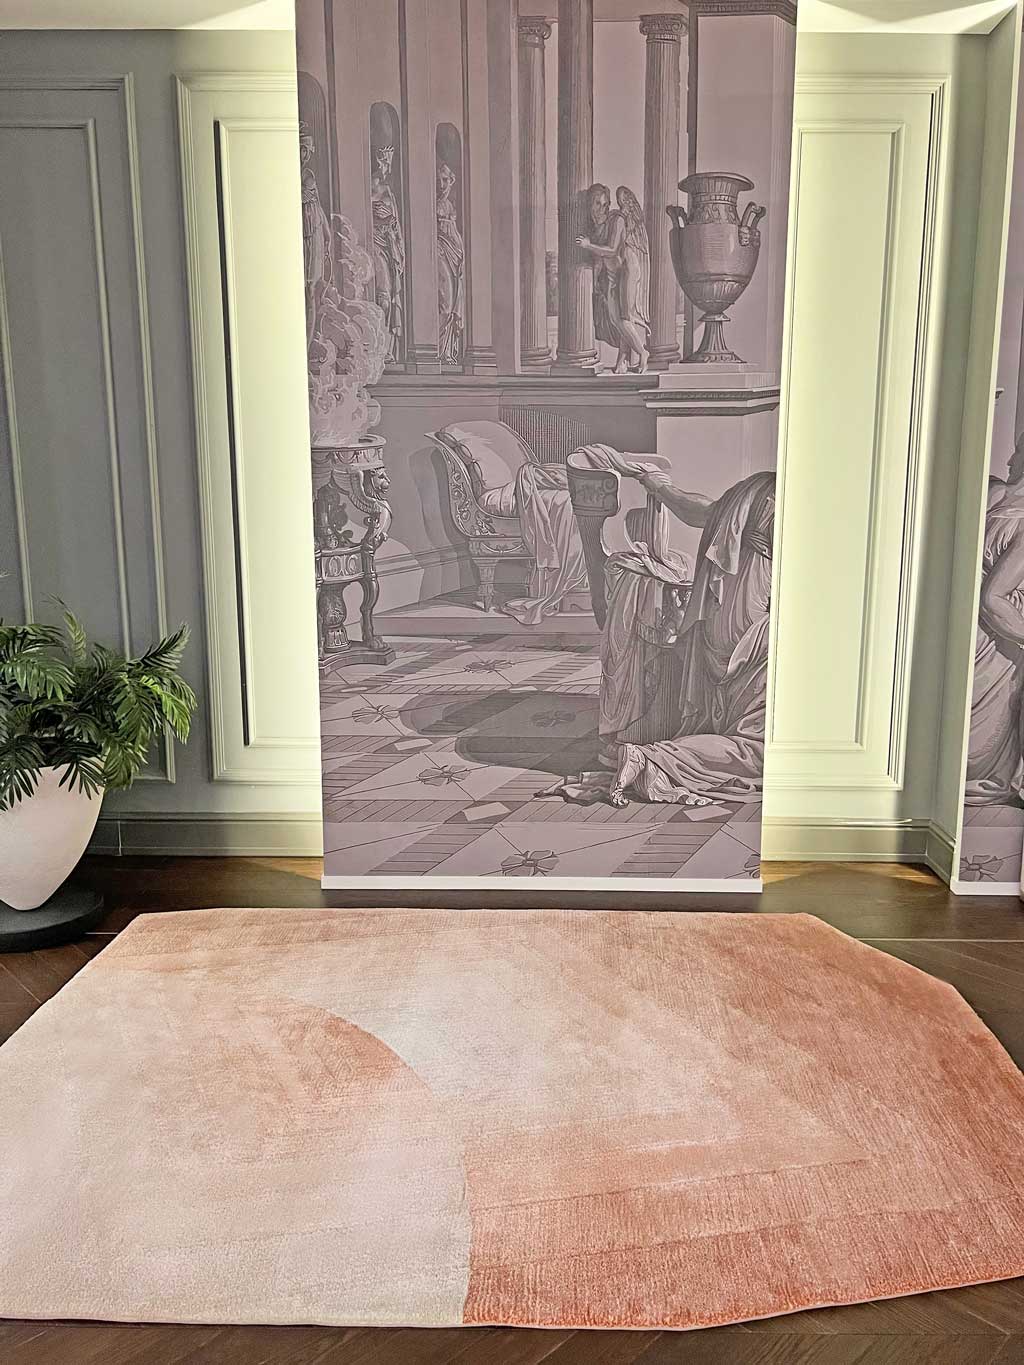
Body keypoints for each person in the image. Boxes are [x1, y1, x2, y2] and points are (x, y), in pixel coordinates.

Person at [965, 435, 1024, 805]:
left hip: (974, 632)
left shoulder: (993, 494)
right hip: (999, 643)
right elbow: (994, 598)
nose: (1010, 461)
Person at [575, 184, 650, 374]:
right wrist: (595, 282)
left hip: (627, 270)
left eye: (606, 204)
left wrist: (588, 245)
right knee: (615, 319)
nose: (603, 209)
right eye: (598, 204)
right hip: (611, 275)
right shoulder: (594, 228)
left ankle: (642, 353)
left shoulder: (617, 219)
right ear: (590, 205)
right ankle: (622, 361)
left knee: (624, 318)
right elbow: (598, 260)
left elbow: (612, 250)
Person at [371, 144, 405, 363]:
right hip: (372, 244)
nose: (387, 167)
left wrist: (391, 219)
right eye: (384, 161)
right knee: (383, 297)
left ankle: (386, 348)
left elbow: (395, 223)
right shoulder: (367, 187)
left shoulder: (388, 190)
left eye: (389, 162)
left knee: (389, 297)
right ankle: (379, 348)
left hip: (388, 246)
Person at [436, 162, 465, 366]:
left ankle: (447, 351)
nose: (441, 185)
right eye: (438, 180)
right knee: (445, 304)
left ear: (452, 181)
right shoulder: (434, 204)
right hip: (440, 253)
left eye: (445, 180)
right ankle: (438, 350)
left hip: (456, 257)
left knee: (454, 303)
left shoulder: (450, 205)